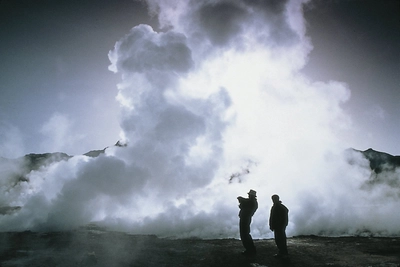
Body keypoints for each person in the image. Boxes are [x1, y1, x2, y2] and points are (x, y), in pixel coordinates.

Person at [237, 189, 258, 256]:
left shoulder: (252, 202)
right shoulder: (252, 202)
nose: (248, 196)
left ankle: (250, 250)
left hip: (245, 218)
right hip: (246, 218)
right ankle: (250, 249)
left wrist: (241, 199)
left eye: (249, 195)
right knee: (245, 234)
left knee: (245, 234)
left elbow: (243, 204)